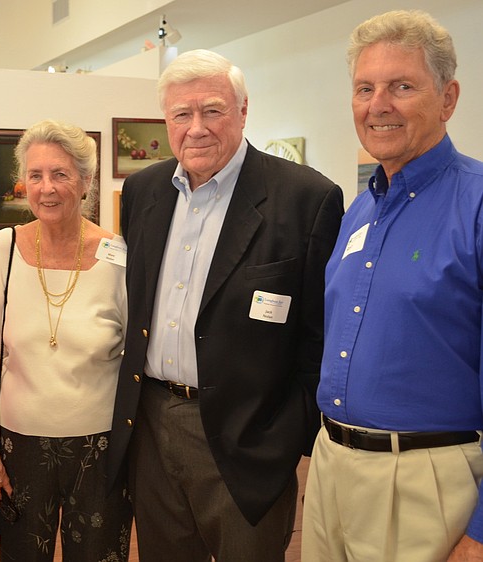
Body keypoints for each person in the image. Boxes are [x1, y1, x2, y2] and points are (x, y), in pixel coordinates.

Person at [106, 49, 345, 561]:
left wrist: (283, 438)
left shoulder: (306, 198)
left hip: (247, 440)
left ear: (242, 111)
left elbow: (320, 337)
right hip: (151, 427)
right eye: (181, 114)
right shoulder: (144, 191)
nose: (196, 128)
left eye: (212, 110)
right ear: (165, 121)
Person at [301, 10, 483, 562]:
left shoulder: (475, 206)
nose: (377, 105)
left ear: (448, 99)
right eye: (364, 88)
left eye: (402, 86)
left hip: (428, 482)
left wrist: (480, 532)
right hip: (333, 466)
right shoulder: (358, 210)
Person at [0, 119, 133, 561]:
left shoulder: (117, 255)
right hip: (18, 446)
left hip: (99, 450)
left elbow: (135, 359)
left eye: (60, 174)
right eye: (36, 175)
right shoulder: (3, 249)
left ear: (85, 182)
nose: (46, 188)